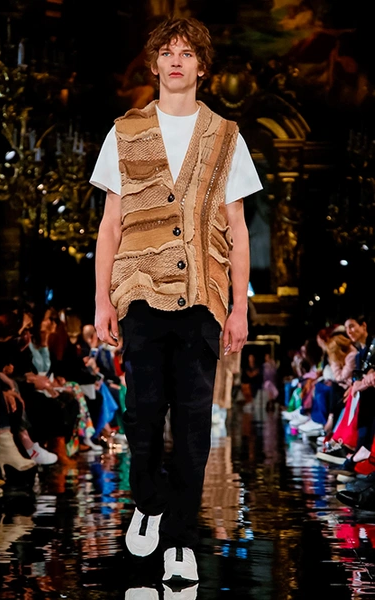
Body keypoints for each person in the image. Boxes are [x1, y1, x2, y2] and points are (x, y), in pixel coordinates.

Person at [90, 16, 262, 586]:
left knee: (191, 423)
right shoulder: (125, 131)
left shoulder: (226, 136)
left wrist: (239, 308)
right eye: (167, 51)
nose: (176, 60)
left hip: (204, 295)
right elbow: (110, 224)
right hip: (139, 288)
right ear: (155, 63)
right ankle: (148, 503)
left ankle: (181, 540)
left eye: (187, 52)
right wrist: (101, 300)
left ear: (202, 66)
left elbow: (238, 229)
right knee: (142, 412)